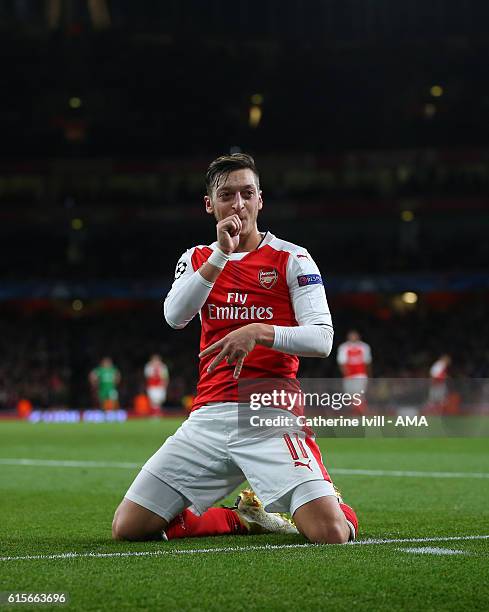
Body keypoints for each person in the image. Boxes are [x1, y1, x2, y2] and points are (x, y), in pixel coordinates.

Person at [112, 153, 358, 544]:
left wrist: (260, 332)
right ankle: (242, 519)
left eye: (247, 193)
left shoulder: (292, 257)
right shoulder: (196, 258)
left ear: (261, 200)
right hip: (208, 416)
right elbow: (175, 316)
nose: (238, 204)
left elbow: (323, 339)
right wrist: (220, 255)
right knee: (129, 527)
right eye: (227, 195)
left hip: (269, 412)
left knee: (331, 533)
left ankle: (331, 500)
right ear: (210, 204)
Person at [337, 330, 372, 412]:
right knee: (351, 397)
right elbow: (342, 364)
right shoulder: (343, 347)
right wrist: (347, 375)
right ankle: (356, 415)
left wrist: (369, 376)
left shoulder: (364, 347)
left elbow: (368, 363)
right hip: (349, 377)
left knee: (358, 396)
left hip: (360, 375)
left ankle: (362, 414)